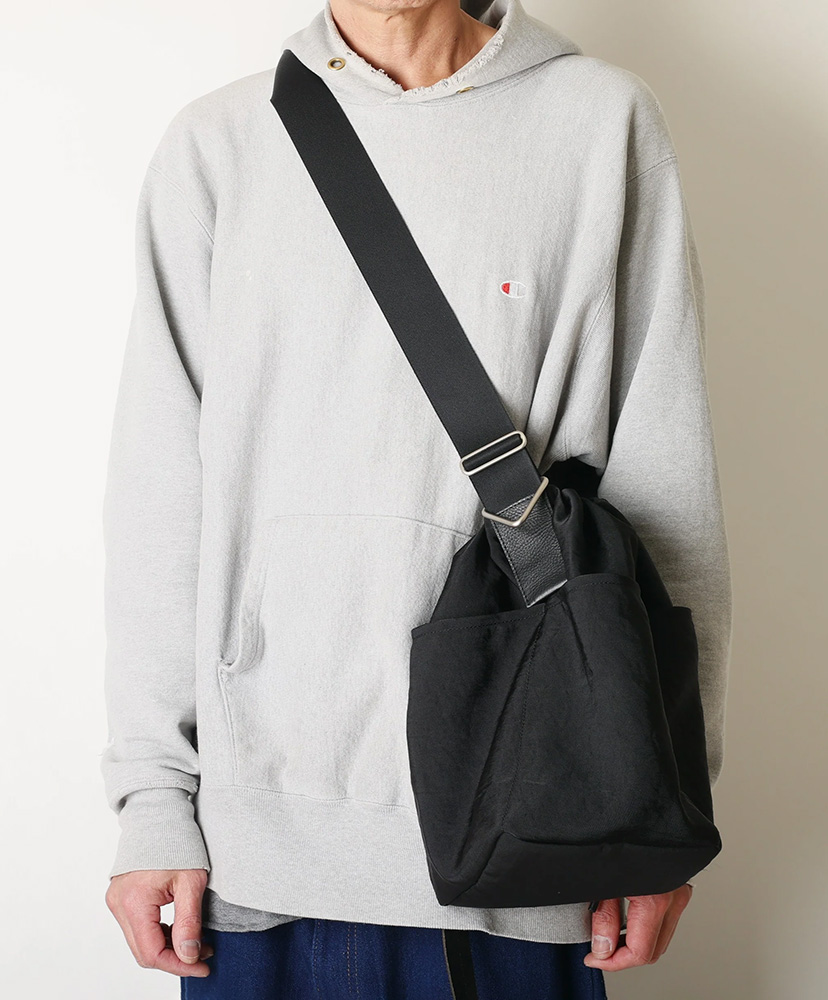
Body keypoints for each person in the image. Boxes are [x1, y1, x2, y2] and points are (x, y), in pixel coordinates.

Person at [100, 0, 732, 996]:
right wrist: (151, 797)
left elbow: (667, 493)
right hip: (256, 859)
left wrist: (662, 810)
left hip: (528, 837)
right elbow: (160, 491)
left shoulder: (600, 124)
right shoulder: (219, 144)